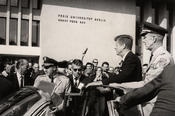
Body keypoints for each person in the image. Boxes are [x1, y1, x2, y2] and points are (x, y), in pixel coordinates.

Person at [109, 22, 174, 116]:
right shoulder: (156, 56)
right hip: (149, 104)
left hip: (155, 107)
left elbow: (148, 85)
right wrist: (118, 84)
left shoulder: (163, 58)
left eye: (145, 37)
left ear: (154, 39)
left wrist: (119, 86)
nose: (143, 41)